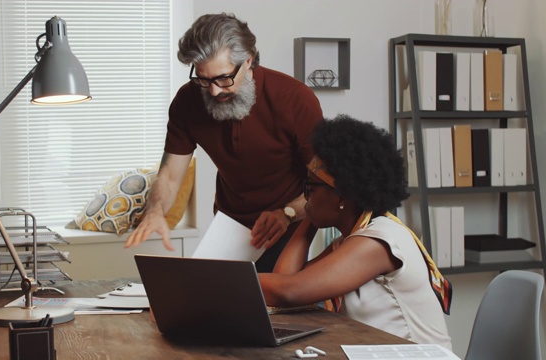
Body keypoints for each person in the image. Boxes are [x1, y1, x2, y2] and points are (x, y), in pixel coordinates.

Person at [125, 13, 323, 272]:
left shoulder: (295, 99)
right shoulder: (187, 101)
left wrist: (287, 213)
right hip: (229, 226)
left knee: (277, 304)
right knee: (212, 298)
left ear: (248, 60)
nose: (214, 90)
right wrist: (156, 210)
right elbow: (171, 176)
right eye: (204, 80)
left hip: (289, 222)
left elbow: (325, 181)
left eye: (223, 78)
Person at [258, 115, 453, 349]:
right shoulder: (352, 238)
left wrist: (223, 280)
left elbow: (289, 292)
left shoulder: (378, 242)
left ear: (341, 195)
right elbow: (285, 284)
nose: (304, 196)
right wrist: (310, 215)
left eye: (310, 187)